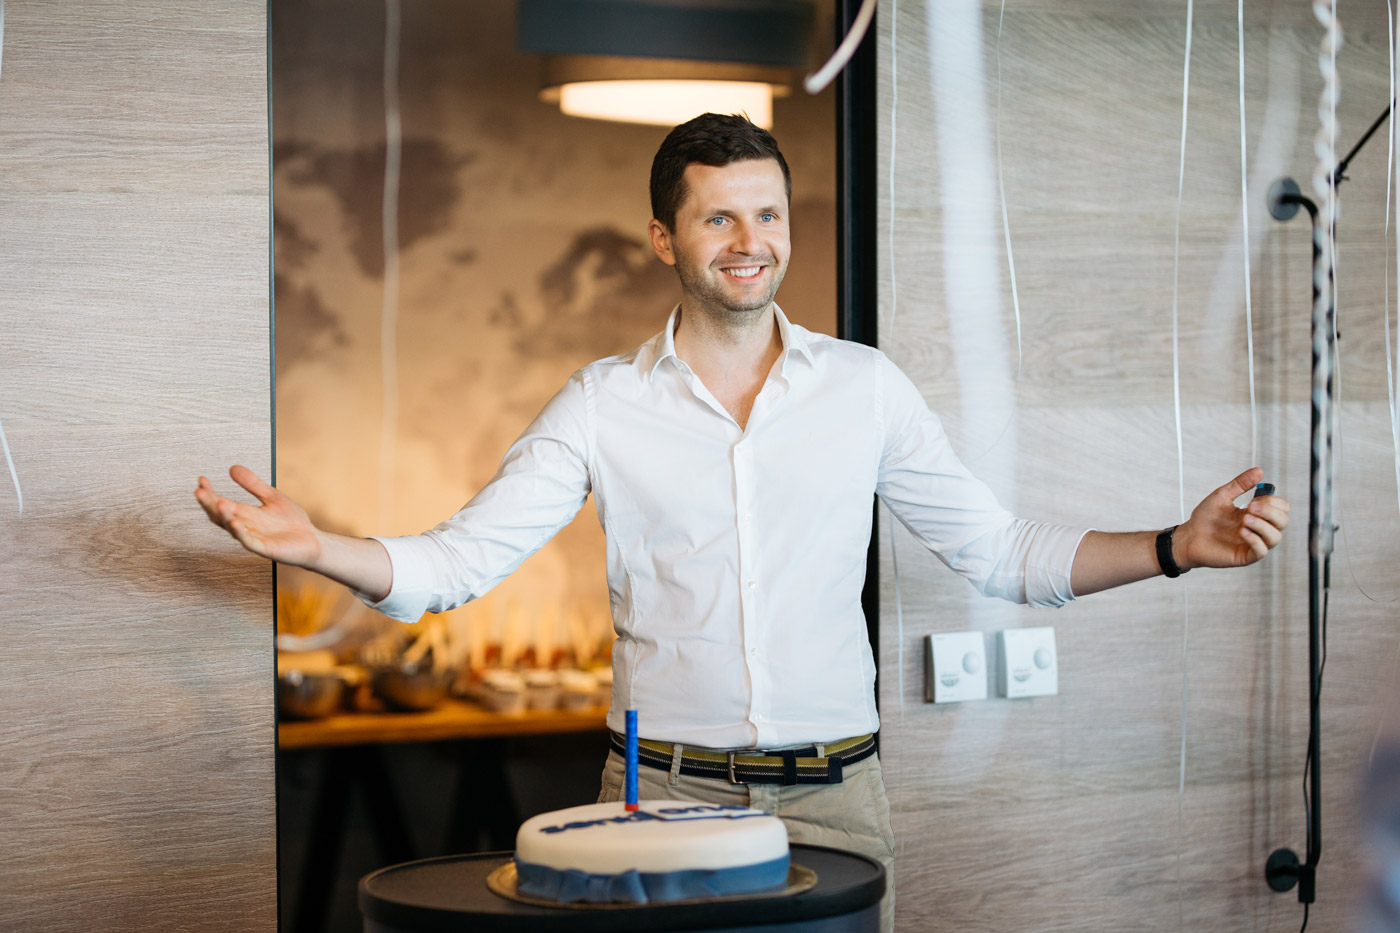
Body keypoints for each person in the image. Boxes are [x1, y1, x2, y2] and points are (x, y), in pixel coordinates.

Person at [196, 113, 1289, 932]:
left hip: (838, 801)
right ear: (663, 238)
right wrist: (318, 547)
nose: (747, 239)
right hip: (656, 799)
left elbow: (1001, 553)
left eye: (767, 214)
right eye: (717, 216)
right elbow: (456, 563)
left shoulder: (864, 388)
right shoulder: (600, 404)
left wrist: (1173, 548)